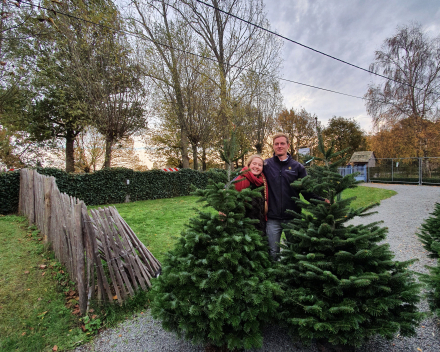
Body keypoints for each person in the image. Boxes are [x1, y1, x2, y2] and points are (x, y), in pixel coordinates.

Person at [264, 133, 325, 259]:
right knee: (272, 253)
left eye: (282, 143)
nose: (279, 146)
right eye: (276, 144)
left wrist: (323, 202)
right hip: (272, 218)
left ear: (288, 145)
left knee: (294, 252)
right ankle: (274, 277)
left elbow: (307, 192)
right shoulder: (266, 165)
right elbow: (247, 174)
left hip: (293, 218)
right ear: (273, 146)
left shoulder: (298, 167)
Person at [232, 154, 268, 236]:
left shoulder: (263, 181)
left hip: (259, 222)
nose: (257, 167)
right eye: (254, 164)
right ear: (248, 165)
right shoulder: (240, 177)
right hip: (242, 223)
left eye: (260, 165)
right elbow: (227, 192)